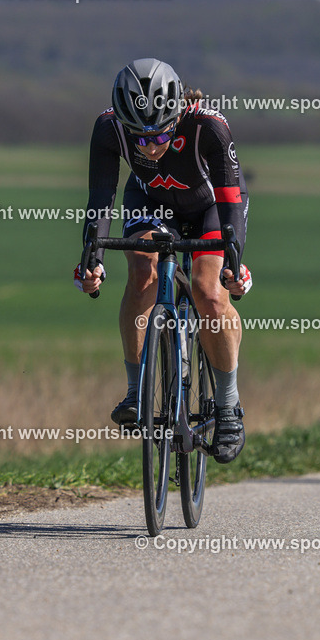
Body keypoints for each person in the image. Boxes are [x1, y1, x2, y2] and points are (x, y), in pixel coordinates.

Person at [73, 58, 252, 463]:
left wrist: (233, 264)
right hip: (151, 201)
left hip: (211, 207)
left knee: (209, 293)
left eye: (160, 134)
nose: (150, 146)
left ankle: (227, 407)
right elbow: (100, 202)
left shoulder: (209, 127)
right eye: (139, 137)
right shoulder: (107, 129)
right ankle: (137, 390)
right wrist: (92, 262)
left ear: (177, 117)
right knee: (142, 273)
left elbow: (229, 203)